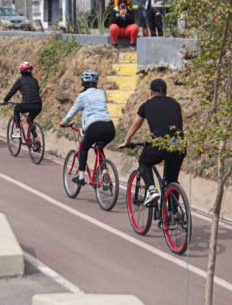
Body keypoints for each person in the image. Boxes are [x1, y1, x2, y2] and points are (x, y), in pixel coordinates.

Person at [119, 78, 185, 206]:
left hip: (161, 144)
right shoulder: (176, 104)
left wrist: (127, 140)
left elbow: (135, 125)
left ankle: (151, 190)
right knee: (172, 180)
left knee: (143, 162)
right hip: (178, 145)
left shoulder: (146, 105)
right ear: (165, 92)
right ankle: (173, 215)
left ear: (151, 92)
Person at [59, 70, 116, 185]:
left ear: (84, 82)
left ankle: (80, 177)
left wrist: (64, 122)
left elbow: (72, 112)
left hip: (94, 126)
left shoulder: (83, 96)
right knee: (99, 147)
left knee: (84, 149)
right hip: (110, 127)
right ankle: (104, 171)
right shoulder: (101, 93)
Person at [1, 62, 42, 139]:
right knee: (30, 119)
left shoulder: (20, 81)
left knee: (16, 109)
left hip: (27, 104)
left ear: (21, 71)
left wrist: (5, 100)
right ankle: (36, 139)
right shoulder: (35, 80)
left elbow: (12, 92)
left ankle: (17, 131)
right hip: (38, 105)